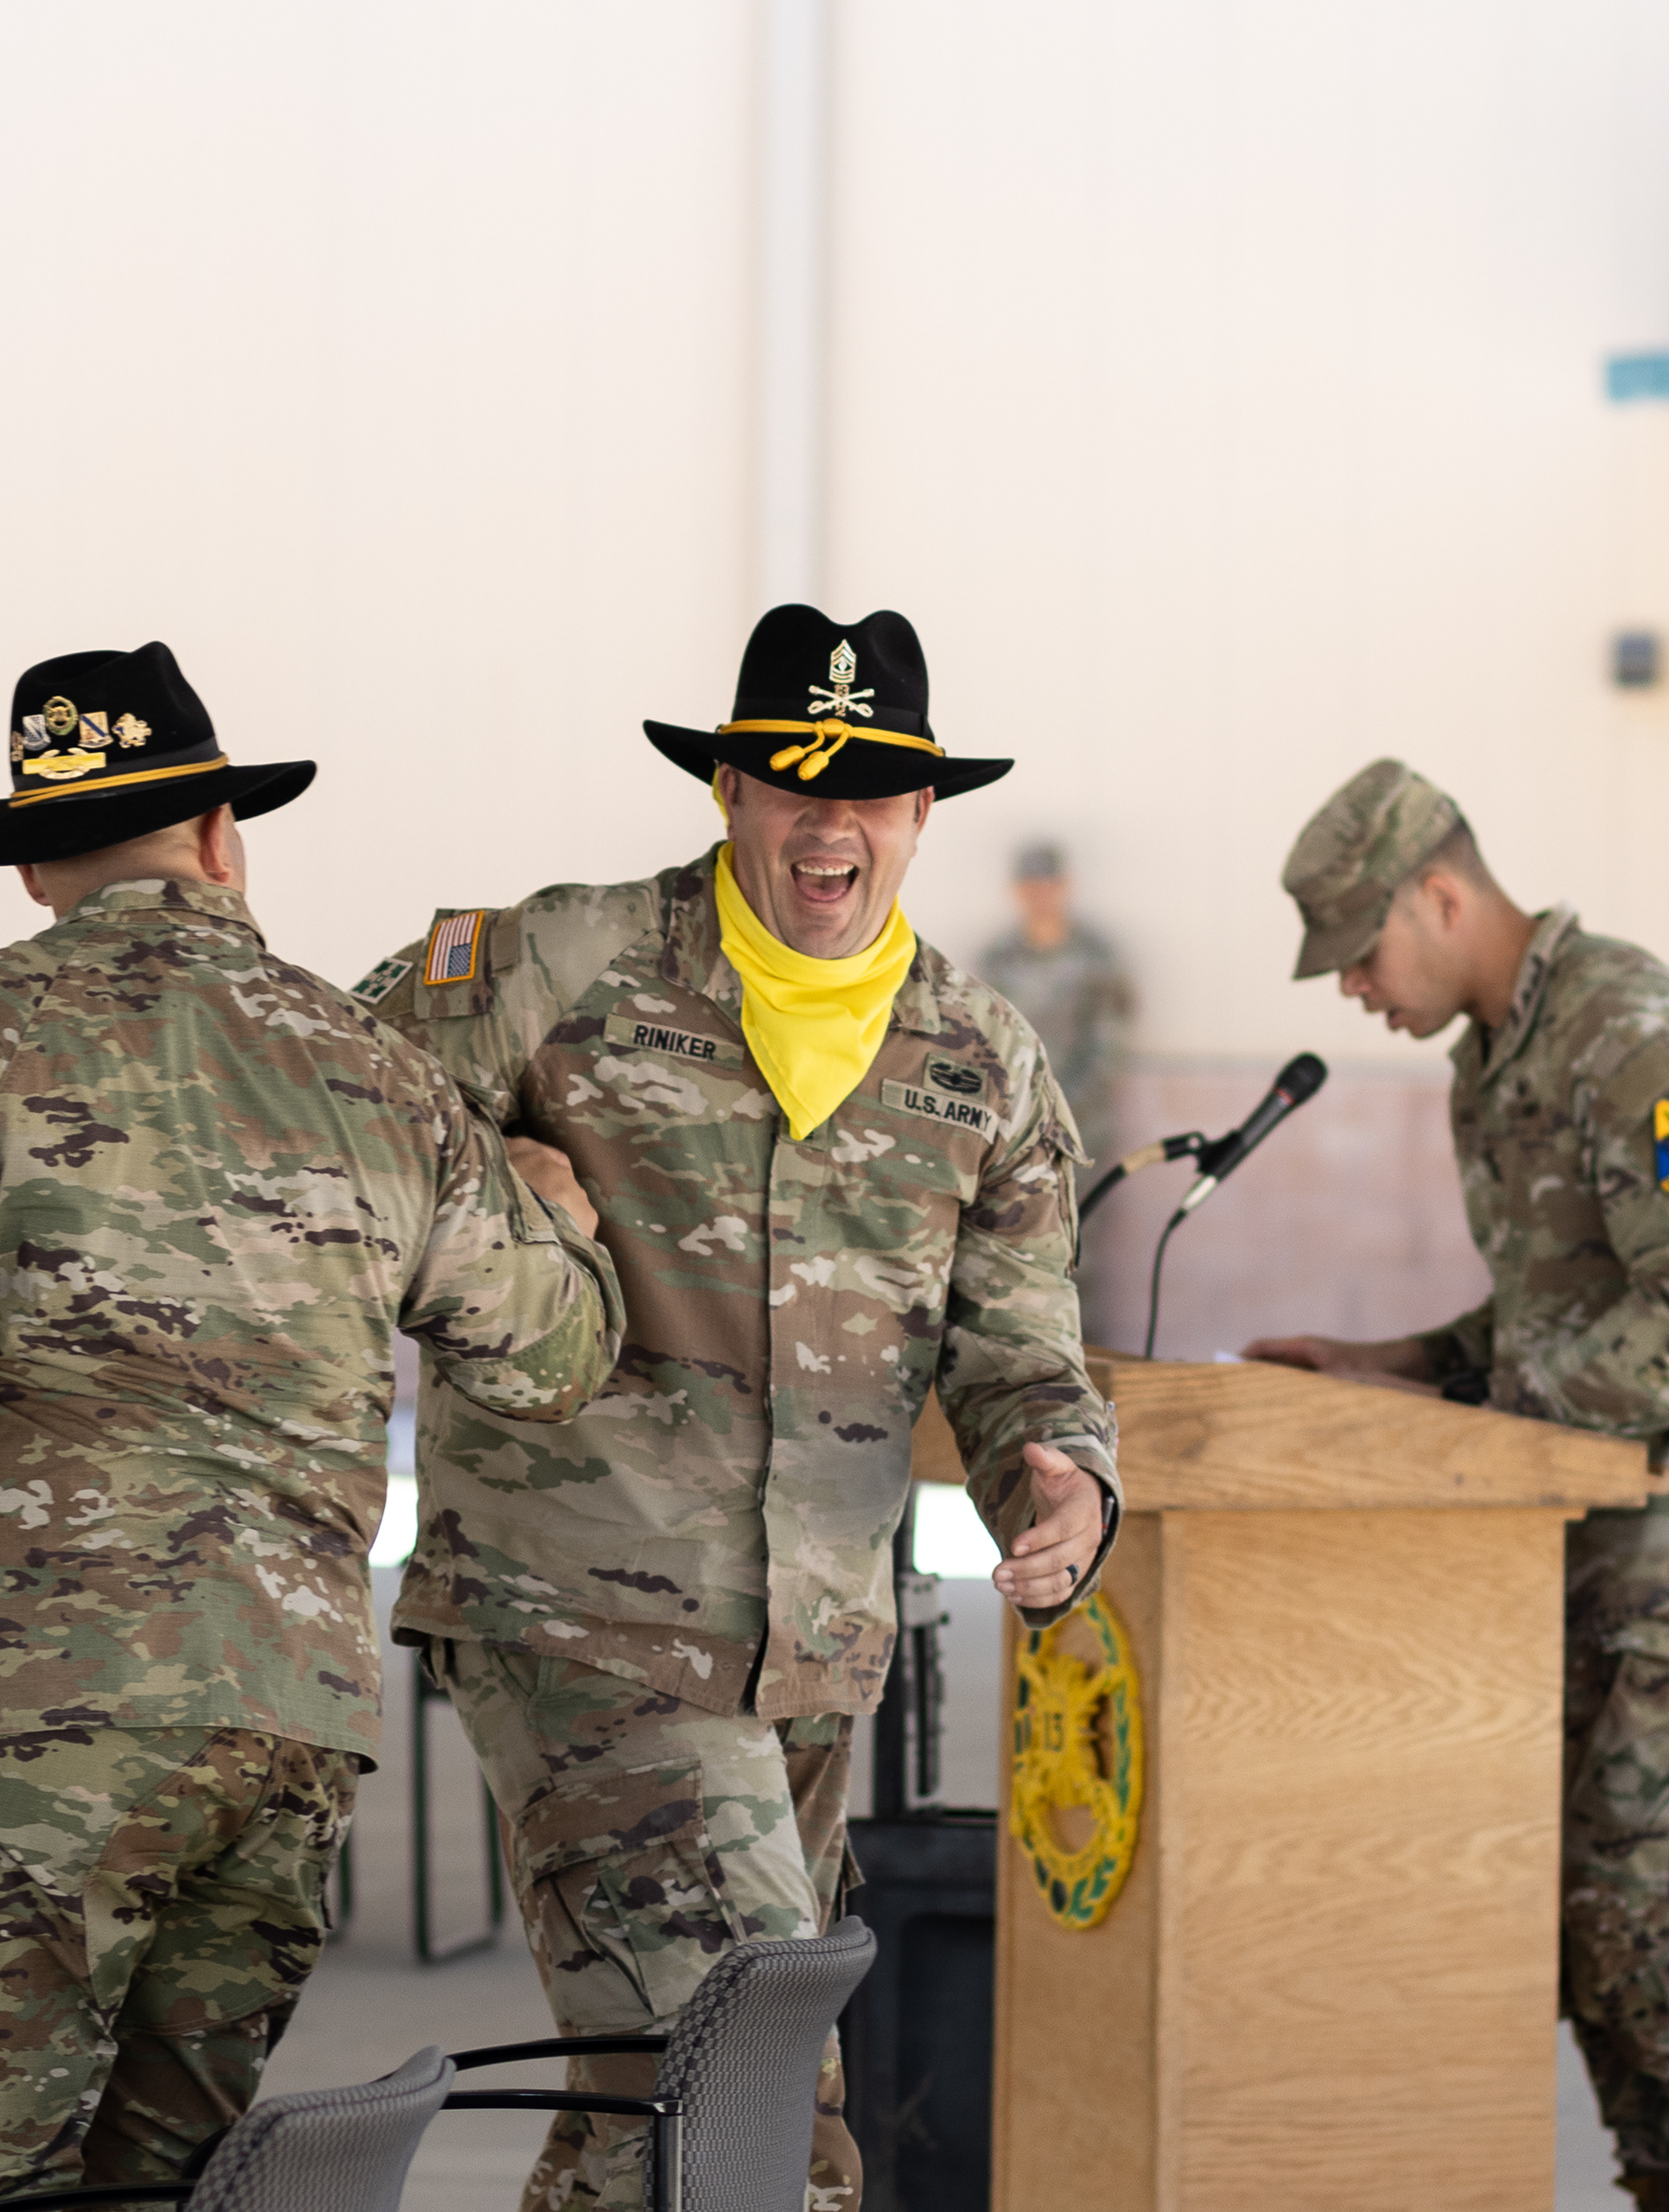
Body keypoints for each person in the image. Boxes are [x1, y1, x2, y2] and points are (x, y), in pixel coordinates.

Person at [0, 642, 623, 2212]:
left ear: (34, 865)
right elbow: (549, 1359)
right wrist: (560, 1219)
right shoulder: (380, 1070)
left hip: (34, 1711)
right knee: (161, 2184)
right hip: (287, 1726)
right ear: (223, 836)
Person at [353, 604, 1121, 2212]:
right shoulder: (559, 963)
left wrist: (1064, 1477)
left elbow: (1019, 1347)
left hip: (815, 1647)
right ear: (728, 793)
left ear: (923, 812)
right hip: (583, 1608)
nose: (829, 825)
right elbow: (333, 1120)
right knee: (750, 2072)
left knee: (664, 2104)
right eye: (791, 784)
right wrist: (500, 1188)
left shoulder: (981, 1059)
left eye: (871, 792)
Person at [1241, 759, 1669, 2212]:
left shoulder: (1632, 1034)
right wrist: (1386, 1363)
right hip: (1594, 1526)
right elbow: (1554, 1312)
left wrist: (1481, 1417)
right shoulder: (1496, 1058)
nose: (1352, 990)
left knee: (1637, 1886)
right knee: (1570, 1904)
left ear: (1441, 898)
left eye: (1361, 953)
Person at [973, 839, 1133, 1162]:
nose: (1040, 897)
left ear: (1065, 887)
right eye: (1031, 887)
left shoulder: (1095, 956)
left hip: (1082, 1124)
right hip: (1013, 1122)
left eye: (1049, 886)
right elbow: (984, 1039)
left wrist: (1060, 1107)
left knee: (1082, 1196)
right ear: (1018, 891)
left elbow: (1107, 1047)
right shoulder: (998, 958)